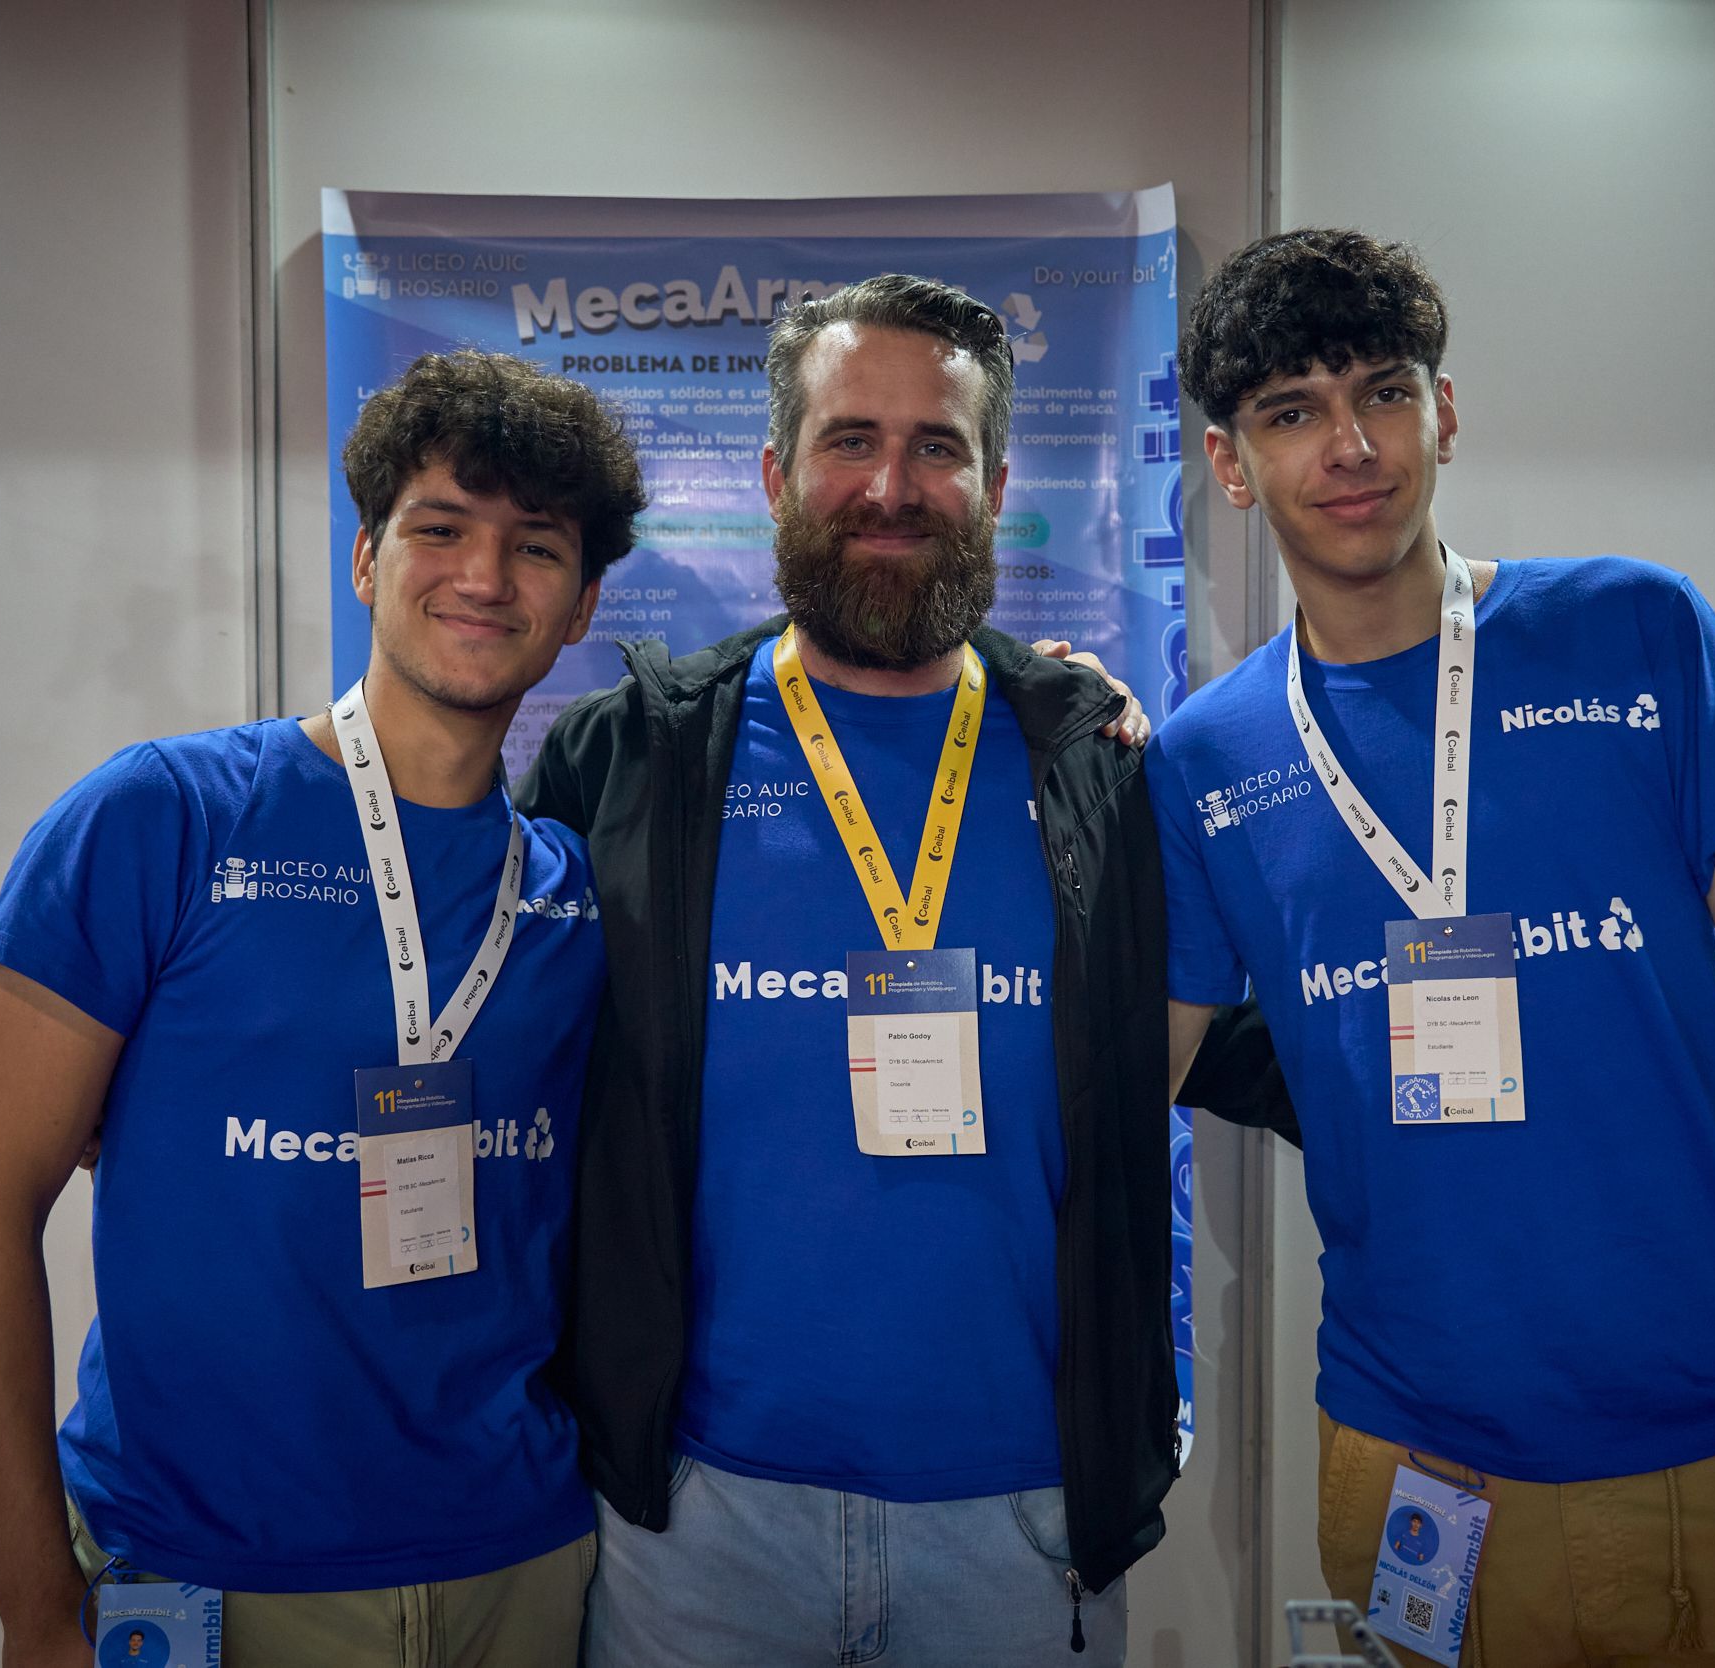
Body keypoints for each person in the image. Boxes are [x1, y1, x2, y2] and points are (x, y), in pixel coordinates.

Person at [515, 273, 1289, 1667]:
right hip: (698, 1520)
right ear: (774, 474)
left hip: (1022, 1520)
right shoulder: (629, 763)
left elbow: (1283, 1036)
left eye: (938, 446)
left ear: (996, 482)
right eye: (849, 440)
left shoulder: (1100, 775)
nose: (892, 484)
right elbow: (497, 1055)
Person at [1155, 229, 1715, 1666]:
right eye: (1292, 413)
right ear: (1232, 465)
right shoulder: (1204, 758)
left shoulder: (1637, 629)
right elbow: (1136, 1075)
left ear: (1444, 412)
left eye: (1382, 391)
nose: (1351, 445)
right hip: (1419, 1461)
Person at [0, 349, 645, 1667]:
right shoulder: (162, 819)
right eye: (440, 529)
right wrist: (30, 1603)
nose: (484, 577)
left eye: (535, 547)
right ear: (366, 559)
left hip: (520, 1563)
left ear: (584, 602)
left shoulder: (572, 895)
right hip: (196, 1570)